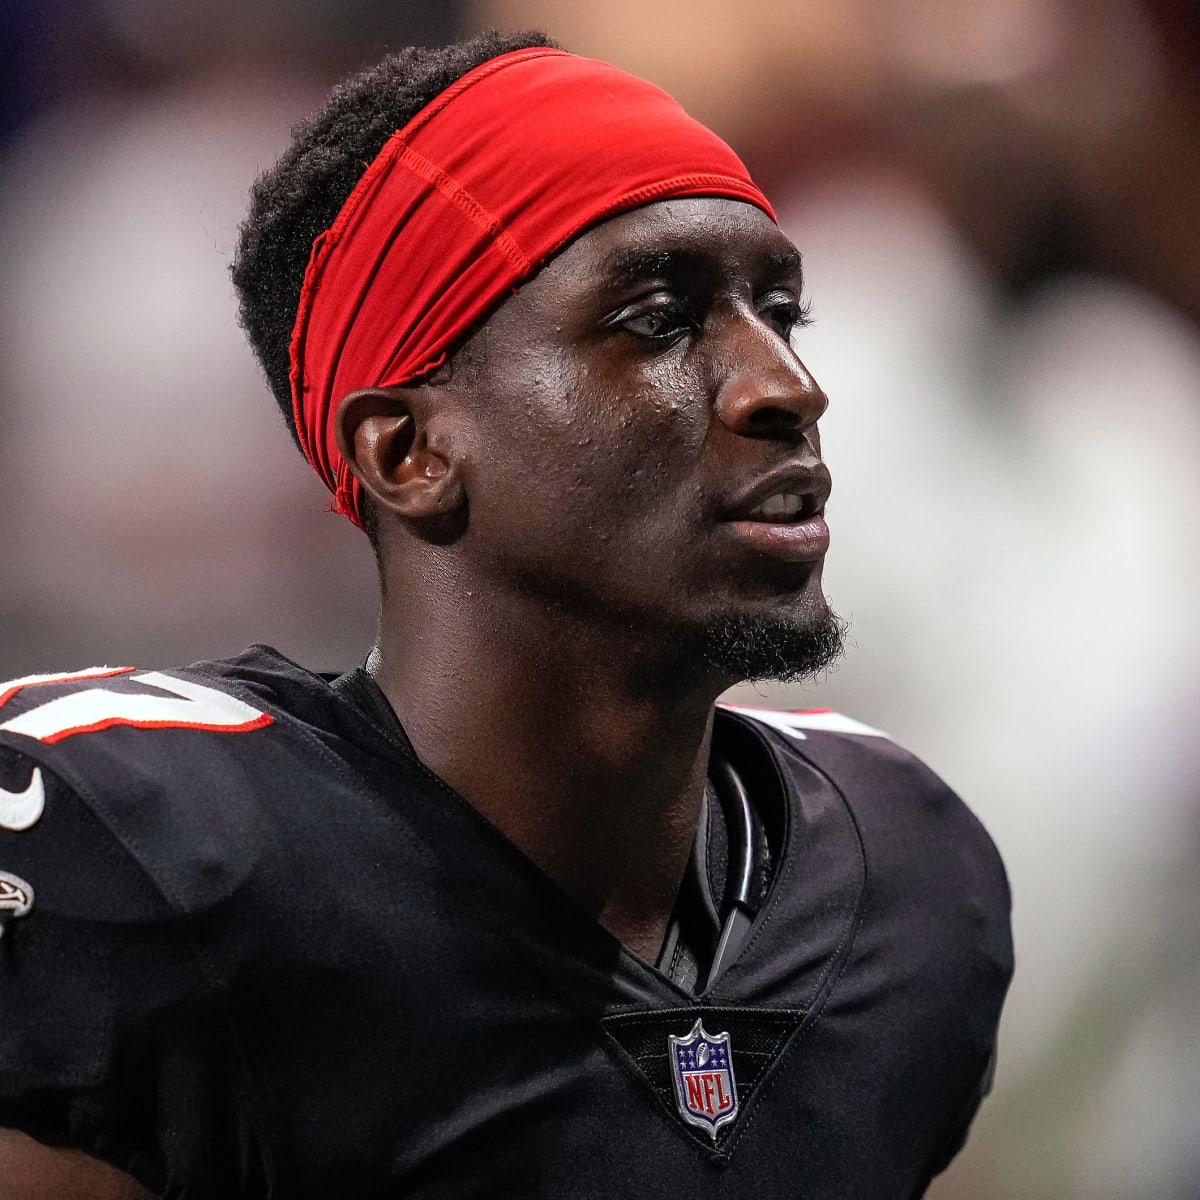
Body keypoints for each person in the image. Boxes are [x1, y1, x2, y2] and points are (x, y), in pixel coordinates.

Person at [0, 30, 1012, 1200]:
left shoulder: (901, 873)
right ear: (411, 450)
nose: (786, 384)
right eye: (657, 318)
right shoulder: (148, 868)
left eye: (781, 310)